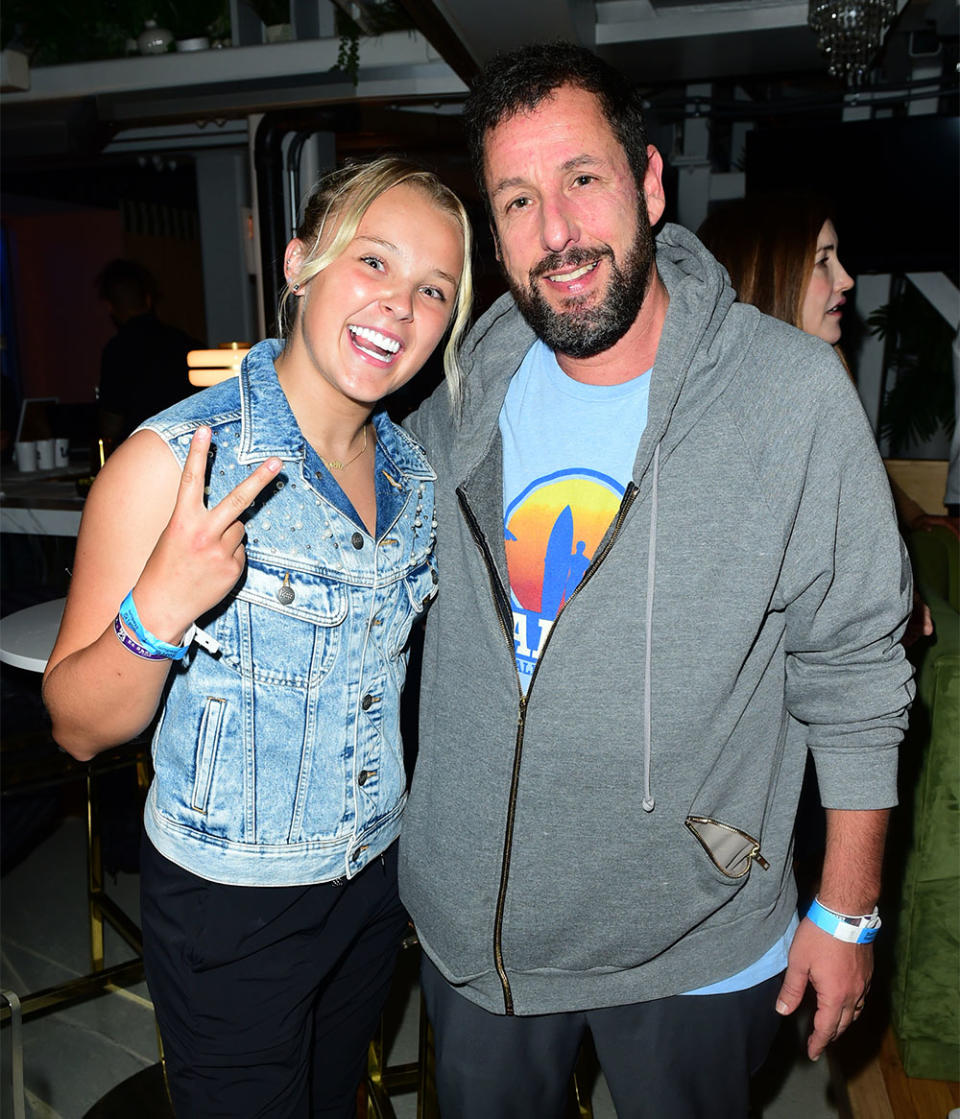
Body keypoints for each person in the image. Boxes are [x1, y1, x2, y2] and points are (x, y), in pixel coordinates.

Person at [397, 43, 914, 1118]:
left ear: (648, 183)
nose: (558, 232)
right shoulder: (447, 399)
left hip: (695, 940)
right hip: (481, 946)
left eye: (583, 179)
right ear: (493, 235)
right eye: (519, 200)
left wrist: (847, 911)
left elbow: (857, 668)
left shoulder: (789, 394)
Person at [42, 157, 472, 1118]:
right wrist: (159, 608)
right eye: (372, 263)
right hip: (234, 902)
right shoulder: (172, 462)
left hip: (371, 881)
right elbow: (74, 723)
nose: (398, 306)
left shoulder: (413, 476)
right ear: (299, 265)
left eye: (432, 289)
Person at [698, 194, 938, 641]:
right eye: (822, 261)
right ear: (767, 272)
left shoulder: (807, 387)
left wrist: (918, 524)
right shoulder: (743, 423)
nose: (846, 279)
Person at [95, 258, 199, 442]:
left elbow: (111, 423)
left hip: (139, 450)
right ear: (148, 299)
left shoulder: (117, 351)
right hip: (186, 443)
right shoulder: (184, 343)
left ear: (111, 307)